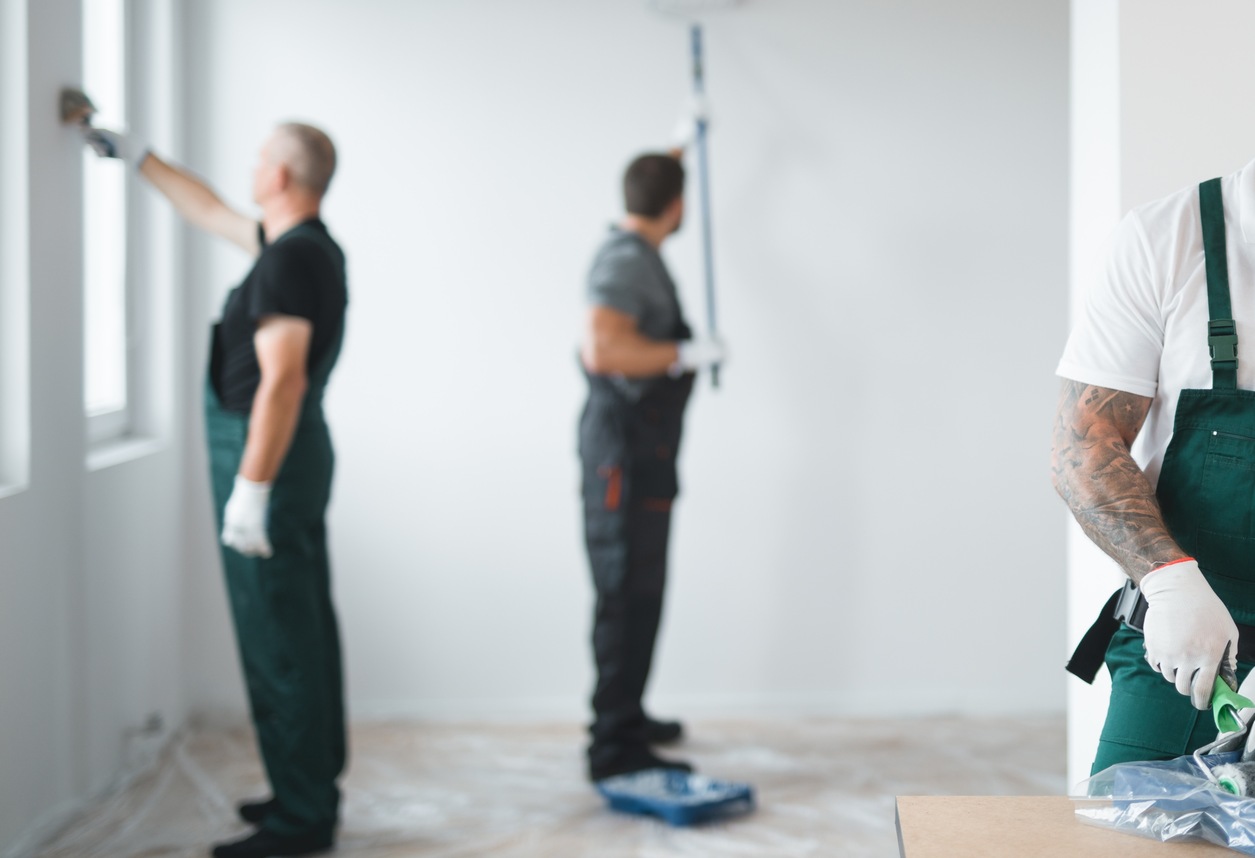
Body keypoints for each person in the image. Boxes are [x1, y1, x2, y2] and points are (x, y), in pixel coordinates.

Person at [82, 121, 348, 857]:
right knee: (299, 626)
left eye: (262, 158)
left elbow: (281, 383)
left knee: (278, 636)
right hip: (291, 454)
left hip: (267, 456)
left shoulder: (287, 262)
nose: (253, 166)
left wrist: (251, 489)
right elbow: (207, 210)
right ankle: (307, 788)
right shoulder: (303, 246)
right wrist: (139, 157)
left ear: (281, 177)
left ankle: (302, 820)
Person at [1053, 163, 1255, 775]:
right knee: (1136, 821)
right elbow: (1084, 445)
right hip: (1193, 654)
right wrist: (1169, 585)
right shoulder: (1170, 238)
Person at [578, 151, 726, 782]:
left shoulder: (638, 250)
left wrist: (679, 145)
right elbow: (601, 348)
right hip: (623, 459)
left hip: (644, 455)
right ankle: (612, 743)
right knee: (624, 593)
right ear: (678, 206)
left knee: (642, 592)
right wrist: (682, 354)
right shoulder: (625, 260)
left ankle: (628, 714)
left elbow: (657, 180)